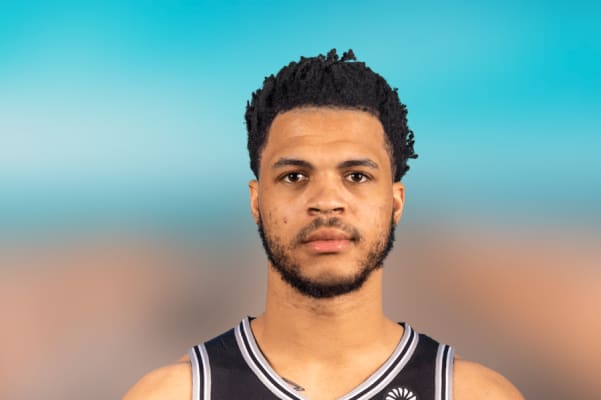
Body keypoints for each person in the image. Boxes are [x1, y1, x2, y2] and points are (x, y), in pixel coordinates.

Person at [124, 49, 524, 400]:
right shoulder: (176, 393)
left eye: (356, 176)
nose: (327, 202)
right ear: (257, 201)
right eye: (294, 176)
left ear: (395, 202)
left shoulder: (472, 393)